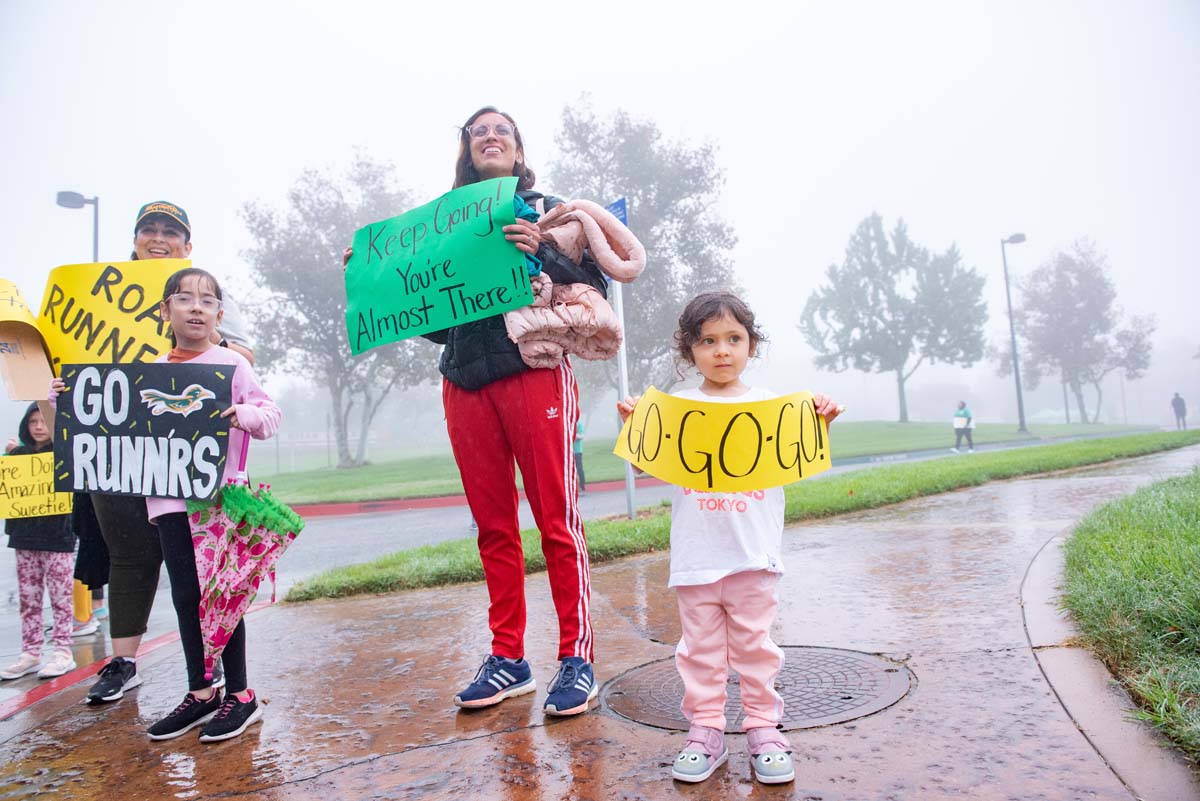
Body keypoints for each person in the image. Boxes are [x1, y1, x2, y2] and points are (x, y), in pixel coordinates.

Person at [344, 107, 607, 715]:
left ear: (519, 150)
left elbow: (594, 286)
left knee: (557, 521)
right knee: (493, 528)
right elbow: (439, 323)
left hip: (534, 373)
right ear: (466, 150)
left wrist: (543, 252)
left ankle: (577, 658)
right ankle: (509, 658)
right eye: (478, 131)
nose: (490, 136)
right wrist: (378, 283)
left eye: (502, 130)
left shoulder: (549, 210)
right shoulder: (440, 227)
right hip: (463, 382)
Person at [617, 292, 843, 784]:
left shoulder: (772, 407)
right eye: (708, 341)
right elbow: (642, 466)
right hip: (697, 559)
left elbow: (801, 451)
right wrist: (636, 426)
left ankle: (764, 729)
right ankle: (705, 731)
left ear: (751, 345)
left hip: (753, 558)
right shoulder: (676, 408)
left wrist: (819, 419)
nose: (722, 350)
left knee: (756, 649)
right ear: (689, 350)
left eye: (734, 338)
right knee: (698, 653)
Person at [52, 268, 280, 741]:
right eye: (184, 298)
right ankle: (202, 692)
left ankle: (240, 695)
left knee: (221, 595)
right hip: (168, 502)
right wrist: (68, 402)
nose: (196, 307)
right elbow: (112, 431)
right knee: (186, 597)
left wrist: (245, 414)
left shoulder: (231, 365)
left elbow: (270, 415)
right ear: (164, 310)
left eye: (207, 300)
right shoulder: (149, 373)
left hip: (218, 500)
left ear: (219, 314)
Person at [76, 201, 253, 705]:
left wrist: (199, 336)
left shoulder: (202, 293)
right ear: (134, 240)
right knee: (127, 554)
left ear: (187, 245)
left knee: (201, 571)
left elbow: (245, 357)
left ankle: (221, 676)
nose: (159, 238)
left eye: (170, 232)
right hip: (115, 444)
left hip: (188, 453)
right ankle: (124, 662)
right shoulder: (95, 293)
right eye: (149, 230)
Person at [0, 404, 77, 680]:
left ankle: (62, 651)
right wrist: (12, 454)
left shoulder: (64, 453)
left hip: (58, 537)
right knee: (29, 599)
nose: (39, 426)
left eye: (44, 421)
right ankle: (31, 652)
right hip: (24, 537)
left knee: (61, 598)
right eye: (33, 422)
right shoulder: (17, 456)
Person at [574, 418, 587, 493]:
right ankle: (574, 487)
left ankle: (582, 487)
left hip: (577, 451)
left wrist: (573, 435)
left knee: (579, 469)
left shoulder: (578, 423)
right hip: (569, 451)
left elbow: (581, 436)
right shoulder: (566, 422)